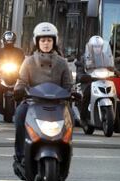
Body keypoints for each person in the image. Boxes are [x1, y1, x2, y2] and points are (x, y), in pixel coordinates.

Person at [12, 22, 73, 168]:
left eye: (49, 40)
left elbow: (68, 85)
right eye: (43, 40)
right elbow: (22, 80)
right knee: (20, 114)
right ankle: (20, 156)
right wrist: (19, 89)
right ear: (37, 42)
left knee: (71, 117)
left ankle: (66, 154)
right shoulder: (28, 61)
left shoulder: (62, 63)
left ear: (55, 41)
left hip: (58, 104)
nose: (46, 43)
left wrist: (73, 93)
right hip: (33, 103)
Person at [75, 35, 120, 133]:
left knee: (114, 96)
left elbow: (110, 66)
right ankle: (83, 119)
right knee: (86, 95)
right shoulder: (85, 57)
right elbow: (80, 70)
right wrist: (81, 76)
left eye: (99, 46)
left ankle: (117, 125)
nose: (97, 48)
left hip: (103, 80)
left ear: (102, 47)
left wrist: (116, 71)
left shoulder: (105, 56)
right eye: (95, 46)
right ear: (90, 47)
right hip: (89, 81)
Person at [0, 31, 25, 111]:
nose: (9, 42)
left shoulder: (19, 51)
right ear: (4, 40)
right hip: (3, 73)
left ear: (14, 40)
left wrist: (22, 67)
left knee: (23, 86)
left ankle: (22, 103)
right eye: (7, 40)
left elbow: (23, 61)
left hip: (16, 73)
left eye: (11, 40)